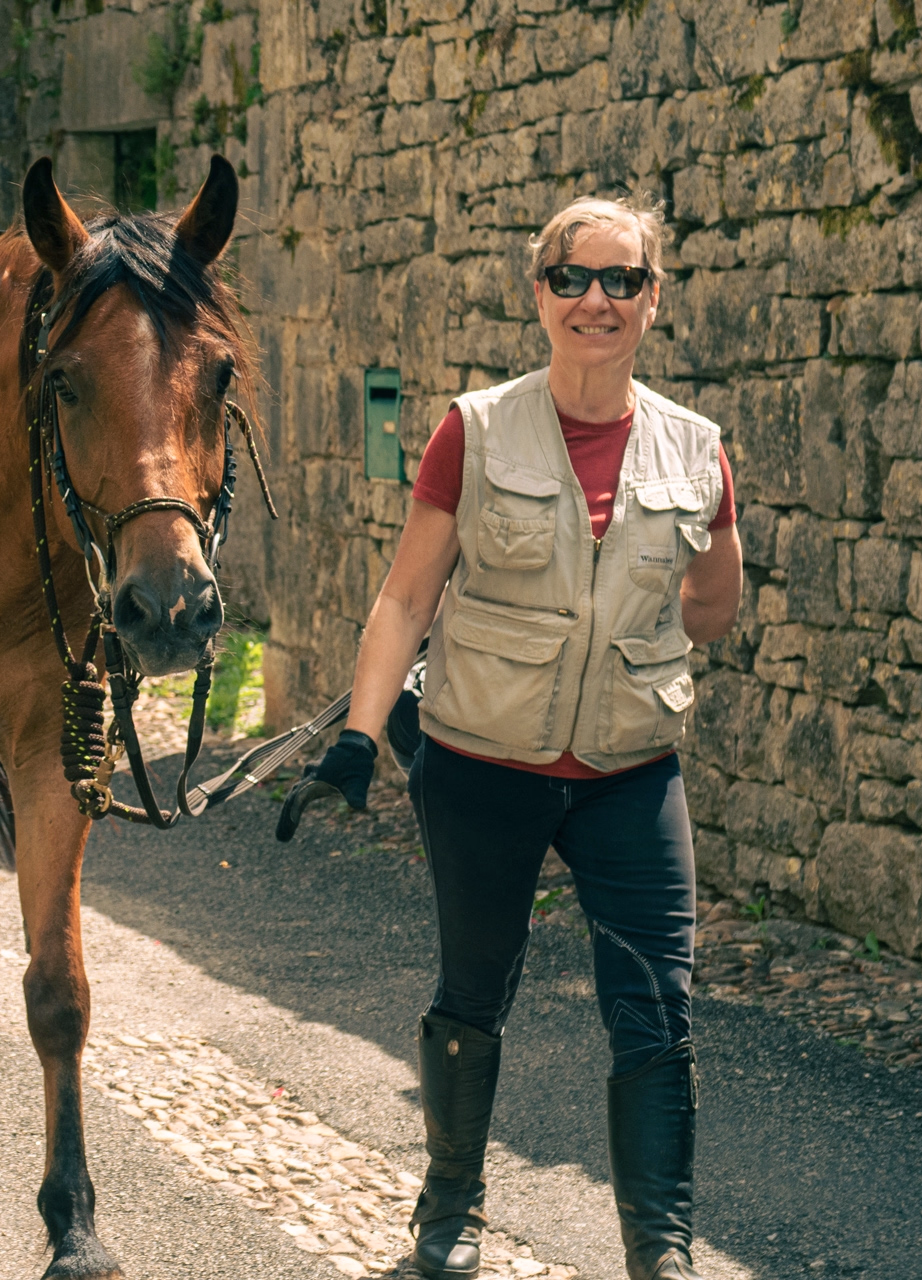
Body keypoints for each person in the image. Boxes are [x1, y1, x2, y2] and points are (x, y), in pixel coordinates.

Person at [278, 194, 742, 1280]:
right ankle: (448, 1213)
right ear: (538, 294)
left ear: (653, 299)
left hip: (631, 771)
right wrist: (357, 734)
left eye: (622, 280)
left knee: (658, 1005)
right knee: (473, 984)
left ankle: (659, 1251)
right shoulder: (474, 431)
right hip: (485, 763)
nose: (597, 299)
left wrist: (717, 533)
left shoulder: (696, 447)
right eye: (575, 277)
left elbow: (712, 613)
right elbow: (403, 600)